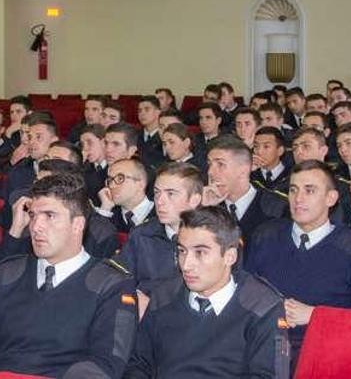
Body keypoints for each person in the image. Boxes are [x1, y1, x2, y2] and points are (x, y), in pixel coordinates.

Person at [0, 174, 137, 378]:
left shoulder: (111, 284)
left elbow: (106, 363)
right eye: (33, 215)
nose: (36, 227)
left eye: (49, 215)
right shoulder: (7, 273)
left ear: (78, 224)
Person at [245, 160, 351, 364]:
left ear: (331, 198)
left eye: (309, 191)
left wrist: (317, 316)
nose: (298, 199)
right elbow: (244, 293)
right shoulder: (265, 235)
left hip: (326, 353)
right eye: (293, 190)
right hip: (264, 348)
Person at [125, 206, 290, 379]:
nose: (186, 265)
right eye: (182, 251)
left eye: (200, 253)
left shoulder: (262, 307)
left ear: (230, 257)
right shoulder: (163, 296)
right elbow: (138, 364)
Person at [116, 162, 203, 294]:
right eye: (157, 193)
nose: (160, 201)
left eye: (171, 194)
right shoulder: (141, 235)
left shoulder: (212, 238)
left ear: (194, 200)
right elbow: (119, 277)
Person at [203, 135, 288, 240]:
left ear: (243, 170)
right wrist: (205, 211)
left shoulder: (278, 206)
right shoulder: (206, 205)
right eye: (209, 164)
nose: (210, 172)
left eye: (220, 164)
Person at [97, 158, 154, 234]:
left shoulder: (160, 215)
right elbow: (93, 244)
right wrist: (105, 209)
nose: (112, 186)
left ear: (141, 184)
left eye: (120, 178)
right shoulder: (109, 217)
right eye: (110, 180)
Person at [250, 126, 288, 191]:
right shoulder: (249, 175)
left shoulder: (291, 176)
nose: (259, 152)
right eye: (256, 146)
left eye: (266, 146)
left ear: (280, 151)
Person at [137, 96, 165, 169]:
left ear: (158, 112)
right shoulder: (135, 135)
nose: (142, 114)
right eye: (139, 111)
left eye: (147, 109)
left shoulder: (165, 136)